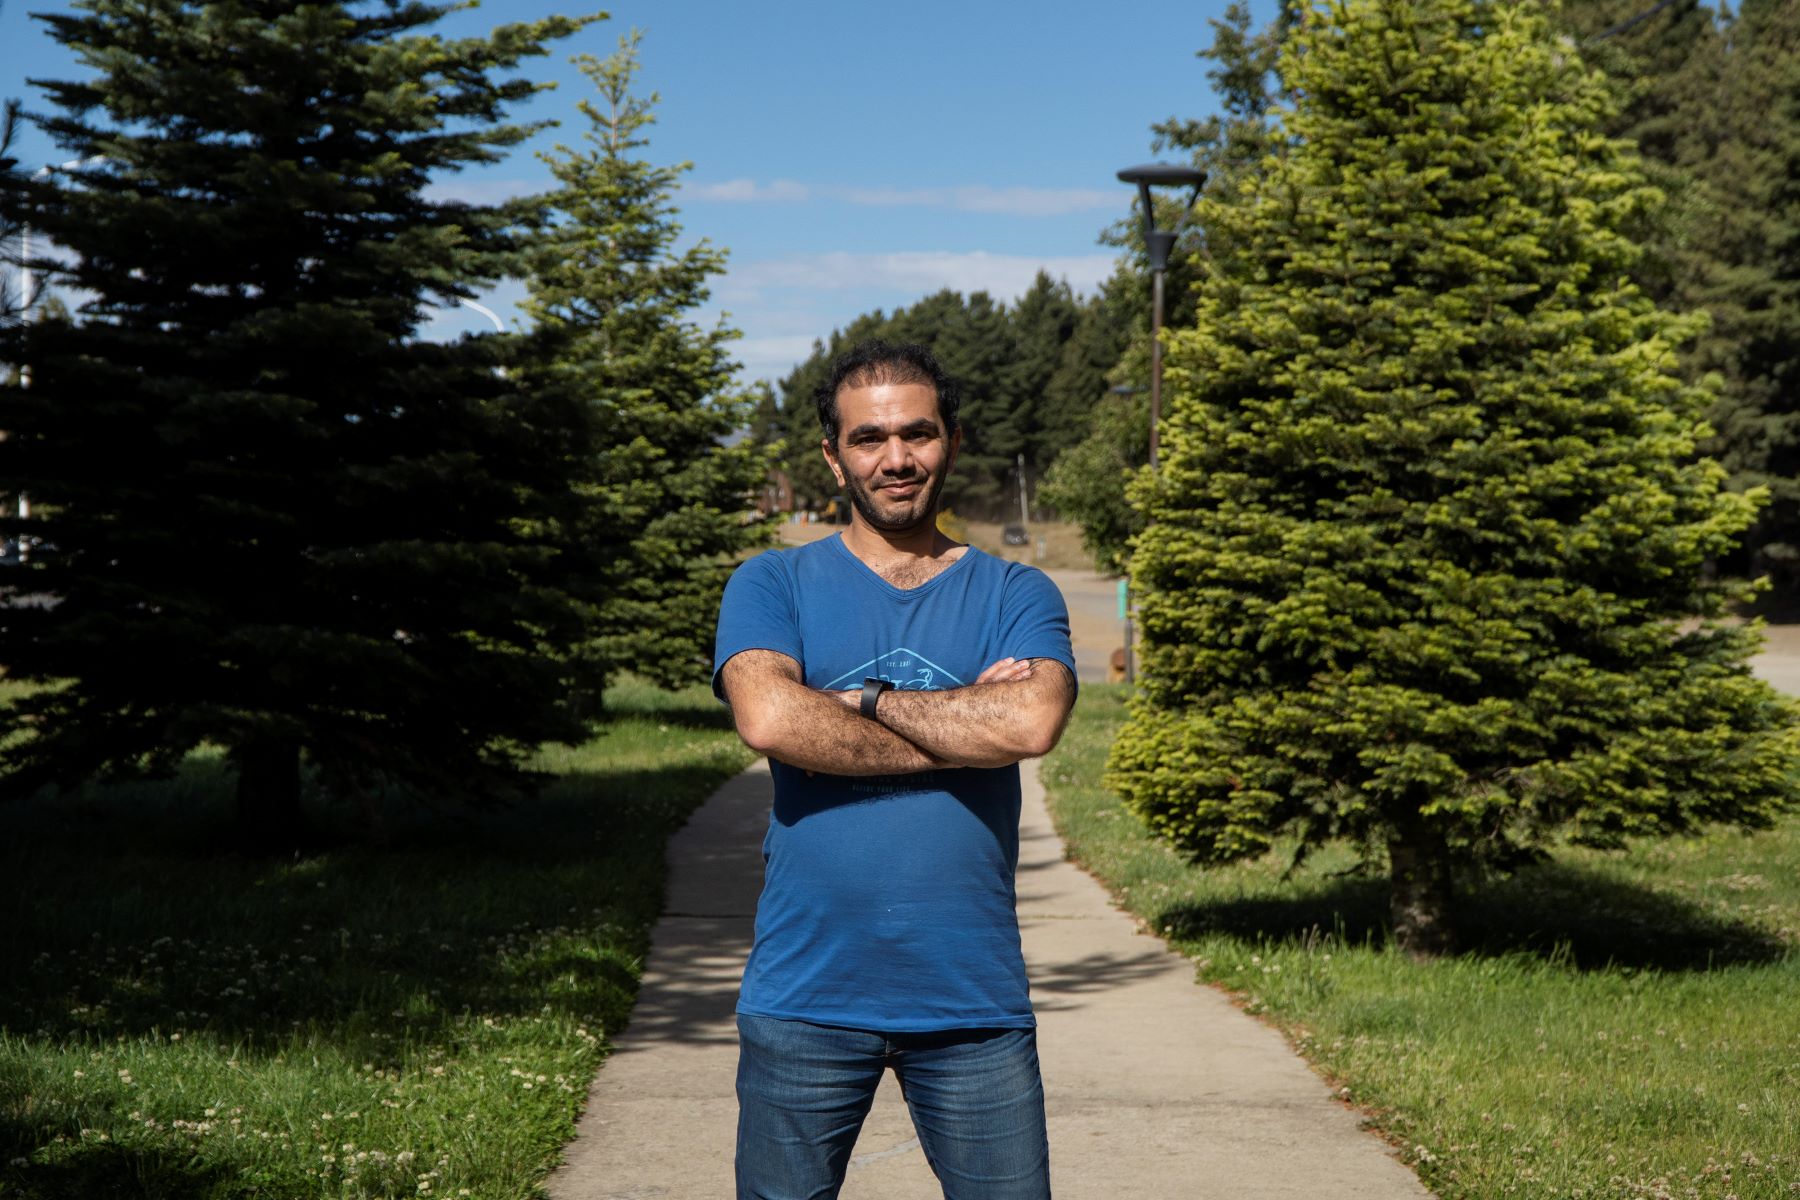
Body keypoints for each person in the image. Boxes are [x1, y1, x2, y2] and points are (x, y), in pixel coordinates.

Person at [712, 340, 1077, 1200]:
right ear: (833, 457)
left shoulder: (1016, 593)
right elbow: (768, 717)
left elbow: (1031, 720)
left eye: (918, 434)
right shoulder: (773, 583)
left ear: (951, 441)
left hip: (972, 1006)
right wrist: (960, 718)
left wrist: (853, 702)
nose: (897, 459)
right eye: (870, 439)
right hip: (803, 998)